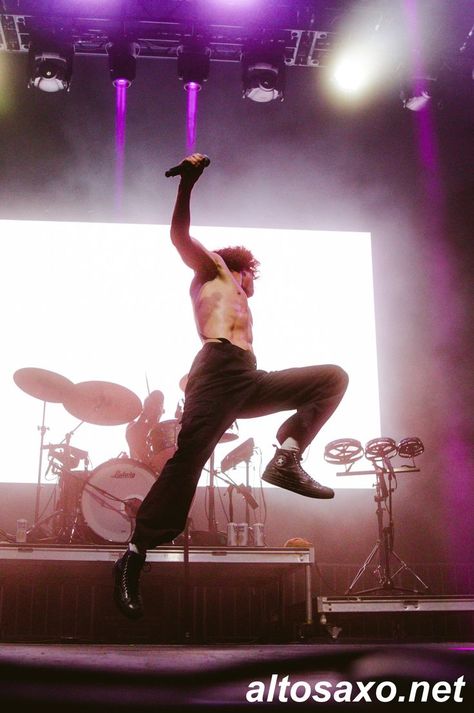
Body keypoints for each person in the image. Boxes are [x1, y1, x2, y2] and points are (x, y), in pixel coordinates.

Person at [114, 154, 349, 619]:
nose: (252, 286)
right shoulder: (215, 270)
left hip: (246, 374)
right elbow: (179, 238)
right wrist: (187, 185)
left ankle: (286, 459)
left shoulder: (236, 294)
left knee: (331, 379)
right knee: (188, 462)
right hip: (218, 370)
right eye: (252, 277)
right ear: (240, 268)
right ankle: (135, 554)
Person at [125, 390, 165, 472]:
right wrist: (145, 414)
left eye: (160, 406)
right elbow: (132, 436)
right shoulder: (133, 427)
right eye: (155, 405)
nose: (157, 409)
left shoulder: (162, 432)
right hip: (140, 474)